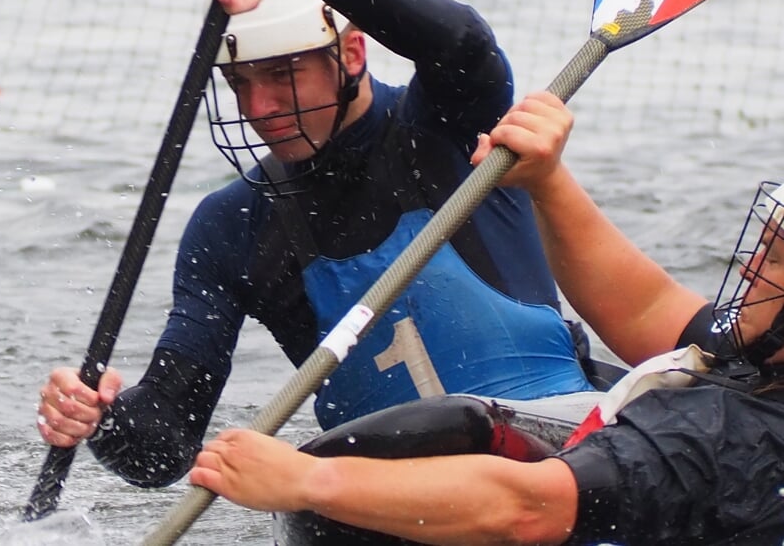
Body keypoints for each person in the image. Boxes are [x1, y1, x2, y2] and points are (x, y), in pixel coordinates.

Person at [36, 0, 617, 488]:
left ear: (353, 54)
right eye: (240, 83)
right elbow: (164, 450)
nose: (259, 109)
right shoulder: (230, 225)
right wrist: (100, 420)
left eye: (282, 75)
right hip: (382, 493)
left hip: (559, 450)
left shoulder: (446, 129)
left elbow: (462, 41)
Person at [187, 91, 784, 545]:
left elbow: (529, 509)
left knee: (440, 438)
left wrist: (305, 483)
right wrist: (548, 182)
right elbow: (648, 307)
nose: (749, 262)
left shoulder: (724, 440)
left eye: (775, 258)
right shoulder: (756, 364)